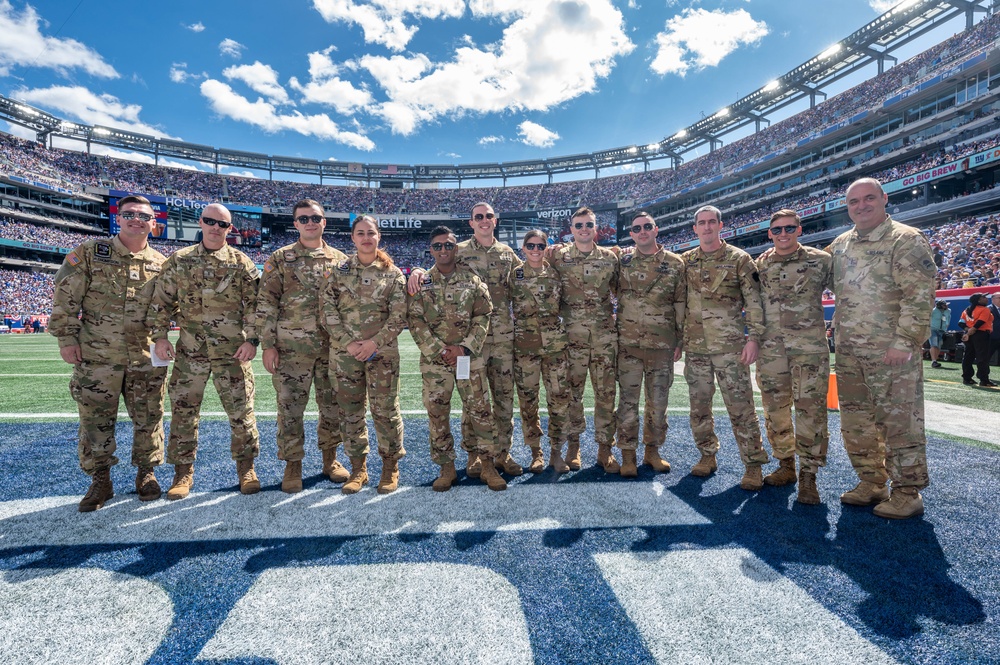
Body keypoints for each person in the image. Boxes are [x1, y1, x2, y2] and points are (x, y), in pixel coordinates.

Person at [49, 195, 168, 511]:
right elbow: (64, 299)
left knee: (149, 417)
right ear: (119, 217)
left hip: (145, 358)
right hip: (99, 357)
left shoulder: (161, 264)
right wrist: (66, 339)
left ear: (153, 224)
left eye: (143, 216)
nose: (136, 219)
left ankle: (147, 472)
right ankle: (101, 479)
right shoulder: (90, 254)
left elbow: (170, 307)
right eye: (129, 213)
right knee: (95, 420)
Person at [829, 177, 936, 519]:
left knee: (899, 421)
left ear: (884, 199)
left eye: (868, 198)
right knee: (857, 422)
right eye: (854, 201)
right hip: (849, 352)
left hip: (891, 351)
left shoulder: (906, 239)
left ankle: (907, 492)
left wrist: (904, 341)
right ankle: (871, 481)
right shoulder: (841, 244)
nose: (861, 206)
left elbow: (919, 297)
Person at [148, 203, 262, 499]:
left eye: (222, 224)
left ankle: (246, 468)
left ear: (229, 228)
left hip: (232, 353)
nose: (215, 228)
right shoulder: (180, 260)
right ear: (200, 222)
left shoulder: (241, 262)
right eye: (210, 221)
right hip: (190, 352)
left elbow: (256, 307)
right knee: (184, 414)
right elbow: (160, 302)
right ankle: (183, 472)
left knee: (241, 413)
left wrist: (252, 341)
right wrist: (160, 337)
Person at [408, 202, 522, 478]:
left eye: (489, 216)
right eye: (478, 217)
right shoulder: (458, 249)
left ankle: (501, 454)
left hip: (500, 338)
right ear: (471, 222)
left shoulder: (508, 254)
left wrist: (552, 253)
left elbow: (528, 274)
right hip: (467, 344)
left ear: (496, 220)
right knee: (475, 404)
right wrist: (416, 270)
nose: (484, 220)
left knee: (503, 400)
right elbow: (436, 266)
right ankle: (474, 456)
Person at [256, 199, 348, 494]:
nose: (310, 222)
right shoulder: (281, 258)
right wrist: (268, 345)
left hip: (331, 350)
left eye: (315, 217)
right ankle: (292, 464)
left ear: (324, 222)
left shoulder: (341, 261)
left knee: (332, 408)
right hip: (290, 349)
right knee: (290, 410)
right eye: (304, 218)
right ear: (295, 223)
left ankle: (330, 459)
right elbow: (266, 303)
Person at [681, 204, 769, 490]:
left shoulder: (739, 259)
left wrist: (754, 338)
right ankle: (707, 455)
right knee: (699, 407)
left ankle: (752, 464)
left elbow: (754, 303)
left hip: (730, 348)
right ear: (695, 229)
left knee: (741, 407)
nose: (706, 227)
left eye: (711, 222)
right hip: (696, 348)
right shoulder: (685, 262)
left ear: (721, 226)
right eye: (701, 223)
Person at [322, 215, 407, 494]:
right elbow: (327, 311)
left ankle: (389, 467)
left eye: (371, 232)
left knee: (385, 411)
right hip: (345, 354)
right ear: (353, 238)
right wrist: (348, 343)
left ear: (378, 236)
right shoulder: (338, 270)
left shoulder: (393, 273)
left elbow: (399, 315)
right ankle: (358, 468)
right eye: (360, 233)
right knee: (350, 413)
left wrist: (374, 343)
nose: (366, 237)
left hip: (381, 353)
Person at [754, 209, 832, 504]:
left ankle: (809, 476)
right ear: (769, 233)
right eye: (777, 230)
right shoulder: (759, 264)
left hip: (809, 350)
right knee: (775, 410)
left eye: (789, 228)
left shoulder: (821, 260)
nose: (783, 234)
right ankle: (785, 465)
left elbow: (849, 295)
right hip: (772, 351)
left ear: (800, 229)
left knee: (811, 412)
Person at [615, 212, 685, 478]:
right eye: (636, 228)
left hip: (661, 346)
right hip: (628, 345)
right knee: (628, 404)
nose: (642, 231)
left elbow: (680, 303)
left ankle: (652, 451)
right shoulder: (621, 262)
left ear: (656, 230)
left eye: (647, 227)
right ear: (631, 234)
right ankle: (628, 454)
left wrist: (679, 340)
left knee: (658, 405)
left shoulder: (676, 264)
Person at [551, 207, 621, 472]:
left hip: (604, 337)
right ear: (571, 230)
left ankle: (605, 449)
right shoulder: (557, 256)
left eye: (588, 224)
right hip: (572, 337)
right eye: (578, 225)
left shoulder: (610, 259)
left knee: (606, 394)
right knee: (572, 395)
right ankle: (574, 446)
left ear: (596, 228)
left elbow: (621, 291)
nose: (583, 229)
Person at [510, 229, 572, 473]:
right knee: (528, 402)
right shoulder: (513, 275)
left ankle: (557, 451)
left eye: (540, 245)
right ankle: (536, 452)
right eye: (531, 245)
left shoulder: (556, 273)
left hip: (555, 348)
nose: (535, 250)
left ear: (546, 248)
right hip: (525, 347)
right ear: (523, 248)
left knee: (558, 400)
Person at [960, 293, 995, 387]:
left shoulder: (967, 310)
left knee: (968, 356)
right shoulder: (985, 310)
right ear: (979, 300)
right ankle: (984, 380)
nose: (986, 298)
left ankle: (967, 378)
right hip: (981, 334)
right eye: (983, 297)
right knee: (982, 357)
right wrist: (972, 330)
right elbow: (980, 322)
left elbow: (961, 323)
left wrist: (968, 332)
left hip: (969, 335)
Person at [929, 300, 950, 368]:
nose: (946, 306)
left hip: (942, 330)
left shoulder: (948, 311)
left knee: (939, 345)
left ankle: (935, 360)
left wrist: (946, 326)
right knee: (934, 344)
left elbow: (948, 319)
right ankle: (933, 360)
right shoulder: (933, 311)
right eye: (944, 305)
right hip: (933, 329)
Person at [989, 293, 1000, 367]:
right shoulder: (989, 309)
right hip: (991, 337)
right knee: (987, 356)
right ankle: (983, 375)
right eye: (999, 298)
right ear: (993, 299)